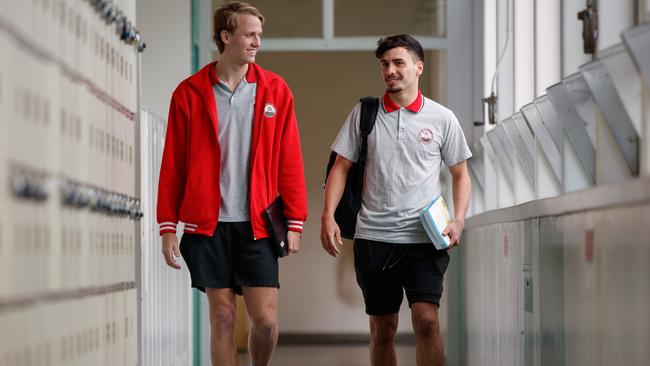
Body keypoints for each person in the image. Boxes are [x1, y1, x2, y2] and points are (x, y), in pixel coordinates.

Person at [157, 2, 307, 365]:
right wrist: (167, 226)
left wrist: (295, 220)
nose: (257, 42)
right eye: (250, 34)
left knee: (266, 321)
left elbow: (290, 159)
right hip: (208, 225)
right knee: (222, 317)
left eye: (259, 35)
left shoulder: (275, 90)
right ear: (226, 36)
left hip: (258, 223)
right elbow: (173, 163)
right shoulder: (189, 93)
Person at [321, 34, 472, 366]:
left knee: (427, 322)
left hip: (425, 239)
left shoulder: (442, 118)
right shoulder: (364, 114)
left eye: (398, 63)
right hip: (374, 237)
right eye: (385, 64)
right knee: (383, 328)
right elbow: (341, 167)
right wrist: (327, 216)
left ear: (418, 67)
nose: (390, 70)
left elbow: (461, 174)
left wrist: (458, 220)